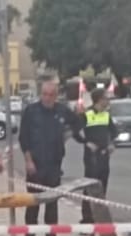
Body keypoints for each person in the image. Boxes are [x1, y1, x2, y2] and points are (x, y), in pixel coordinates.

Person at [19, 78, 83, 227]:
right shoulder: (31, 111)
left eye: (51, 95)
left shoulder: (62, 110)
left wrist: (66, 136)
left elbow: (78, 122)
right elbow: (24, 138)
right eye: (45, 94)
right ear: (41, 94)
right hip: (35, 164)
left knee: (52, 202)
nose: (47, 98)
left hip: (54, 164)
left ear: (56, 96)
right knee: (33, 202)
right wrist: (28, 161)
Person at [79, 89, 114, 229]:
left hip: (104, 156)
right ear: (99, 99)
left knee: (102, 186)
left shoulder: (106, 115)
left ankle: (100, 219)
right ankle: (87, 219)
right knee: (90, 187)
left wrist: (111, 144)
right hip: (91, 157)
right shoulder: (87, 114)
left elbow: (114, 131)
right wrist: (86, 142)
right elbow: (75, 131)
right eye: (106, 98)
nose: (108, 101)